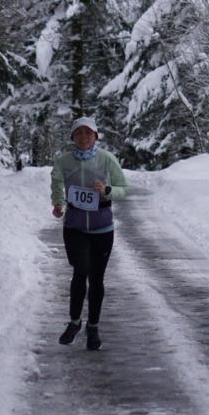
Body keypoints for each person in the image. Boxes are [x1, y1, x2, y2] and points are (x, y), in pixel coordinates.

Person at [50, 116, 127, 351]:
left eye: (88, 133)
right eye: (79, 133)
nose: (84, 137)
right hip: (74, 227)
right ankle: (74, 322)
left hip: (102, 228)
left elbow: (123, 190)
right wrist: (57, 202)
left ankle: (93, 326)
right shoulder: (64, 161)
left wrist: (107, 190)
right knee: (80, 271)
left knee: (96, 279)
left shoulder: (107, 160)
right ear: (73, 137)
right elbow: (56, 183)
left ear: (96, 136)